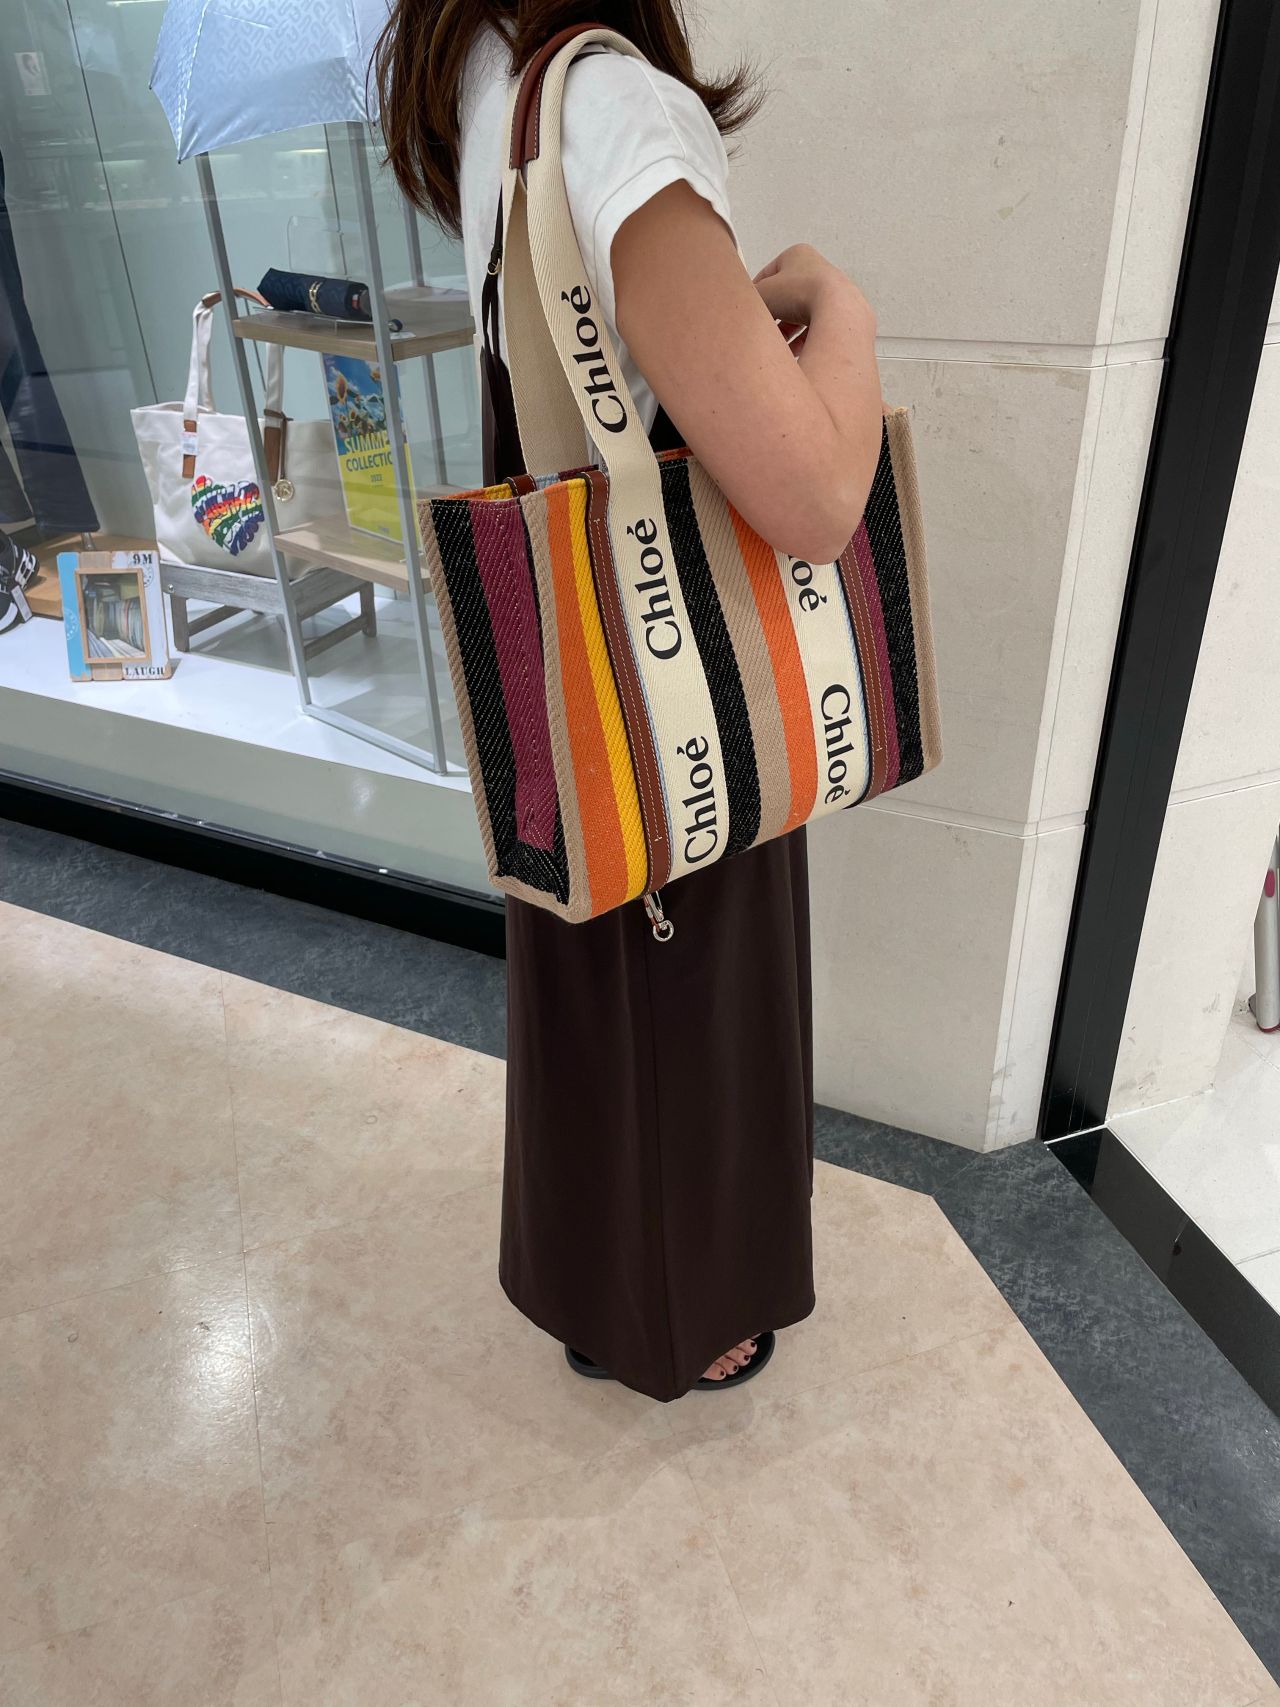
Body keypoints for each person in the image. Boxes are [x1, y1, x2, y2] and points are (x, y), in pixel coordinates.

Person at [375, 1, 884, 1400]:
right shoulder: (612, 104)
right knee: (691, 956)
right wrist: (839, 305)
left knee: (594, 942)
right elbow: (814, 501)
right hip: (675, 646)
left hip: (574, 627)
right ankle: (685, 1299)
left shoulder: (492, 83)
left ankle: (601, 1282)